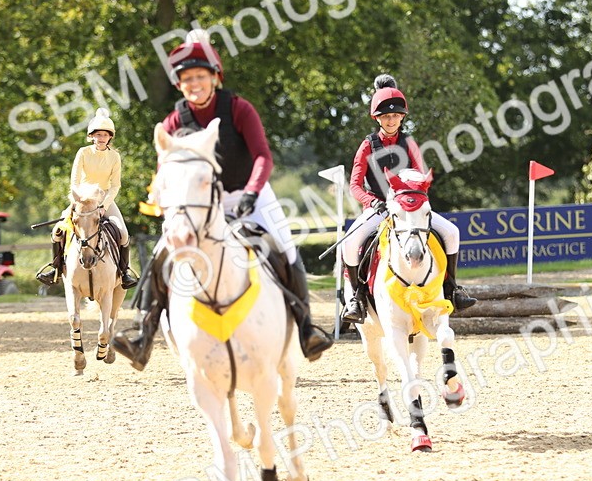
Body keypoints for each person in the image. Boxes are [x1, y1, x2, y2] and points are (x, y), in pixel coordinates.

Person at [112, 30, 333, 369]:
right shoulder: (174, 121)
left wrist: (251, 192)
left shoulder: (239, 109)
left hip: (249, 194)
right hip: (201, 205)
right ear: (179, 84)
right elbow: (166, 166)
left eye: (200, 76)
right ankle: (143, 333)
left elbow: (263, 156)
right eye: (187, 79)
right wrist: (166, 201)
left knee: (284, 247)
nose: (194, 83)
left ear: (214, 78)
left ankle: (306, 330)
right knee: (161, 255)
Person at [339, 74, 478, 324]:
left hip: (408, 208)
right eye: (386, 117)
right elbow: (355, 185)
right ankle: (357, 298)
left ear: (402, 117)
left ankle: (453, 288)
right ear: (377, 119)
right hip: (378, 208)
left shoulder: (409, 143)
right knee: (350, 244)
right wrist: (372, 202)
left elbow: (421, 178)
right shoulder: (367, 145)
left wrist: (414, 201)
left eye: (395, 116)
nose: (391, 120)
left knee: (452, 233)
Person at [35, 110, 137, 290]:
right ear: (91, 136)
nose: (102, 138)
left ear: (110, 137)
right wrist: (76, 201)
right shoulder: (82, 152)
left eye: (105, 135)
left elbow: (115, 185)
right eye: (98, 134)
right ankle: (56, 268)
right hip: (82, 199)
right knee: (57, 231)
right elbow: (74, 181)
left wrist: (104, 206)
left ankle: (123, 272)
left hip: (104, 198)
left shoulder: (114, 156)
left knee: (123, 234)